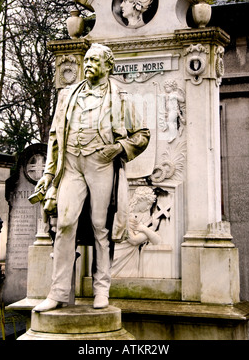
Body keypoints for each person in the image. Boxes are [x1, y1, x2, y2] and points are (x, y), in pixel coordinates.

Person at [33, 43, 150, 312]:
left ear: (108, 66)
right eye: (86, 60)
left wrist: (119, 148)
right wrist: (49, 173)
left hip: (101, 163)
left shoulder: (120, 97)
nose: (88, 64)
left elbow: (142, 135)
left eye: (95, 60)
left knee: (101, 226)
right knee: (64, 223)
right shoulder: (67, 95)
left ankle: (102, 289)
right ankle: (58, 291)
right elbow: (54, 137)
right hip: (71, 165)